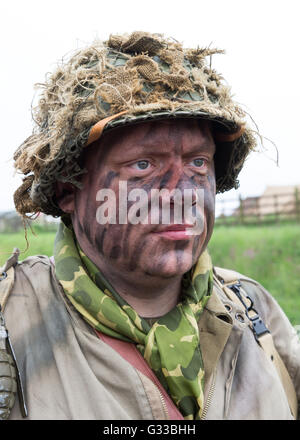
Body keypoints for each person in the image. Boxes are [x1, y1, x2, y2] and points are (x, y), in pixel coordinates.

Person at [0, 31, 299, 420]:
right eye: (143, 165)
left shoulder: (254, 310)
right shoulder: (12, 325)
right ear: (67, 189)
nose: (182, 194)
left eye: (198, 163)